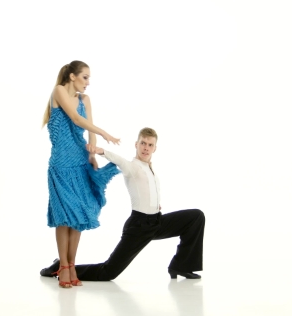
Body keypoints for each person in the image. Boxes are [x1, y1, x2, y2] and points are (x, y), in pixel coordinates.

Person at [40, 127, 205, 282]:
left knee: (196, 217)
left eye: (150, 145)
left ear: (155, 148)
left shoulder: (150, 169)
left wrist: (155, 204)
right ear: (136, 145)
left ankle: (181, 266)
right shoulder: (132, 167)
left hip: (156, 222)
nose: (146, 148)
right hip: (139, 227)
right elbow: (121, 161)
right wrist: (103, 151)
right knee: (108, 272)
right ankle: (61, 267)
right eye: (143, 143)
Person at [42, 60, 121, 288]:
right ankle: (63, 265)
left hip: (80, 163)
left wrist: (93, 151)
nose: (88, 83)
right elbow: (77, 119)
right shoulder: (58, 92)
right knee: (64, 216)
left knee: (77, 218)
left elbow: (88, 125)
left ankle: (72, 264)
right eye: (85, 77)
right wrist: (104, 132)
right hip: (60, 165)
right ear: (72, 77)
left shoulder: (85, 100)